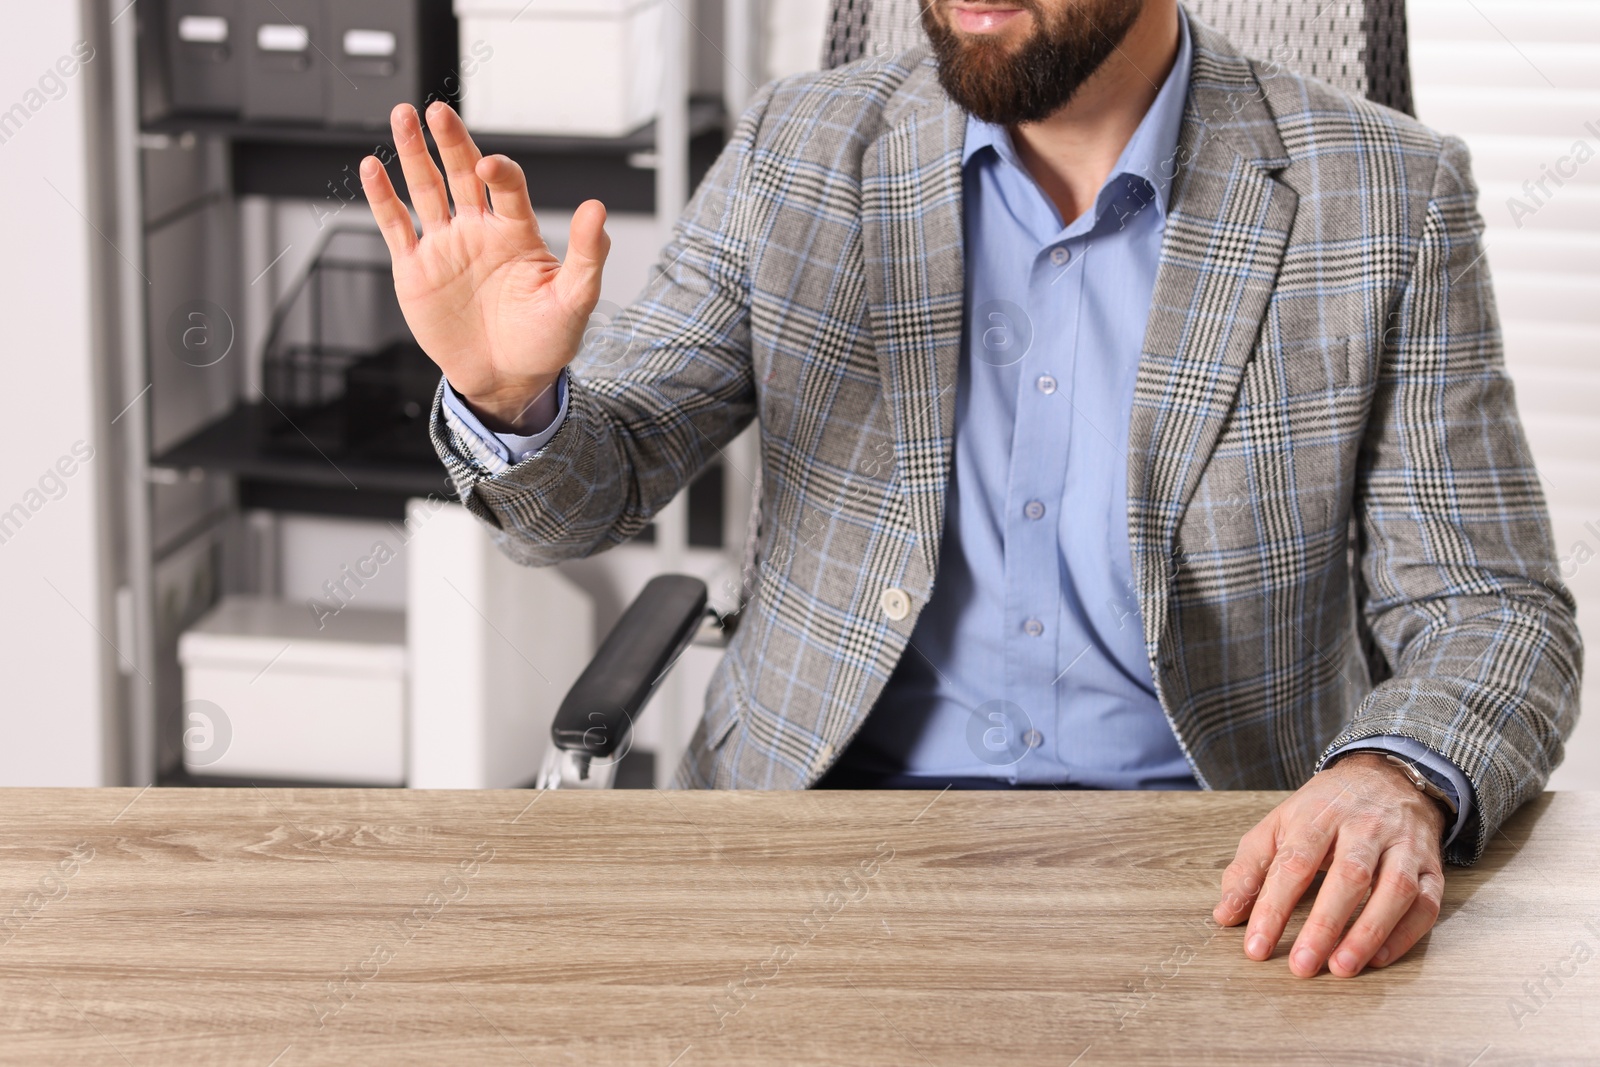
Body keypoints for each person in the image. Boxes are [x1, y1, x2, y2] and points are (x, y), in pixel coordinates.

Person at [359, 0, 1581, 980]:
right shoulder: (801, 149)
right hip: (814, 851)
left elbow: (1494, 607)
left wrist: (1392, 773)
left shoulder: (1384, 195)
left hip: (1227, 872)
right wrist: (511, 396)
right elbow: (591, 493)